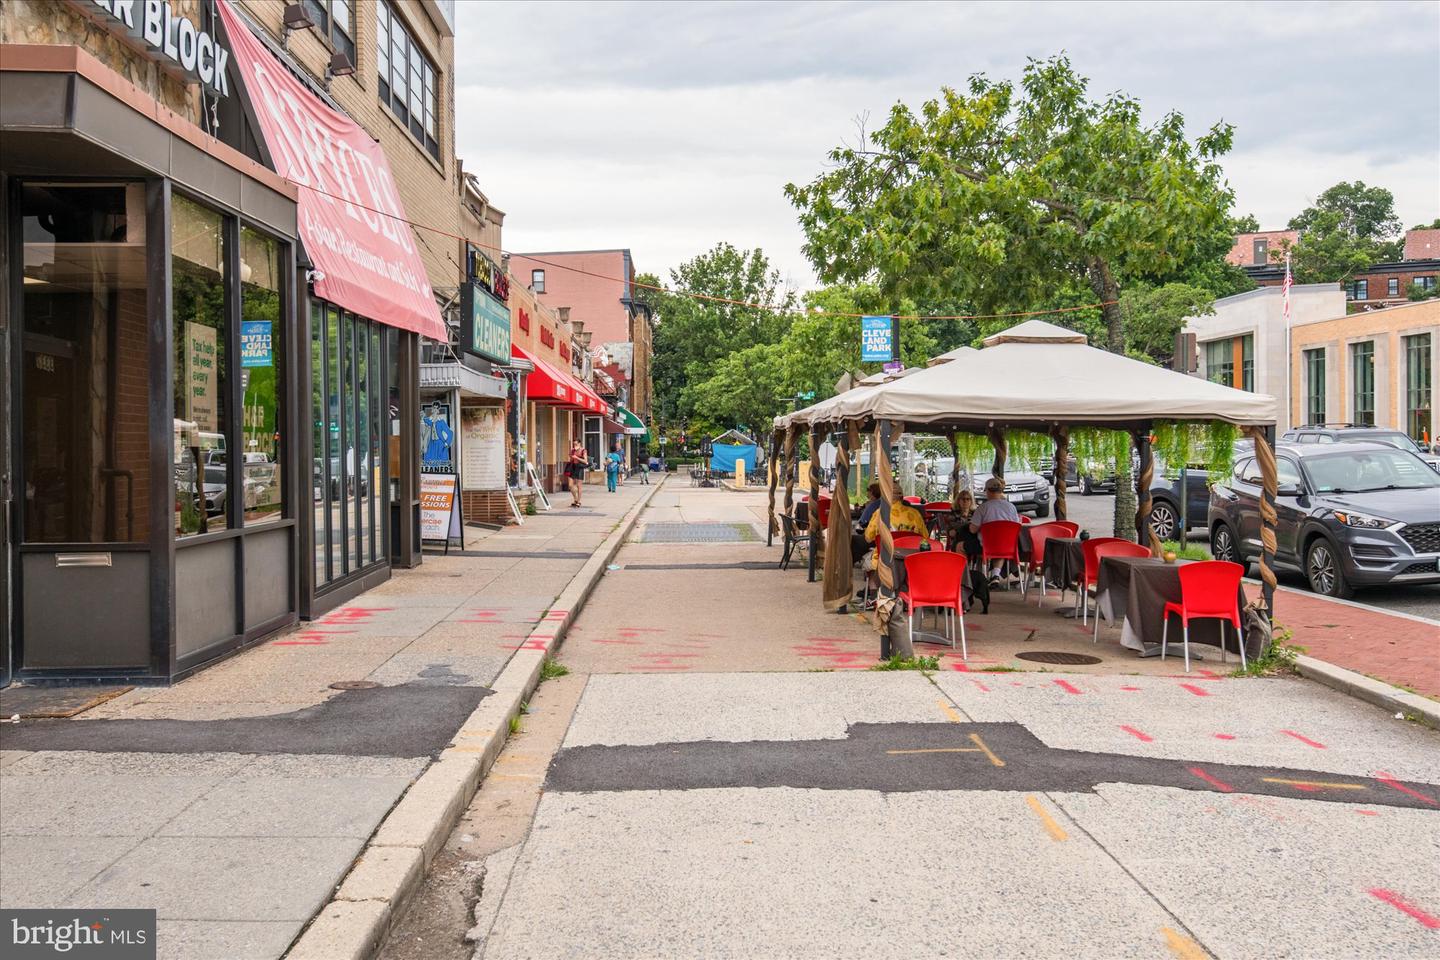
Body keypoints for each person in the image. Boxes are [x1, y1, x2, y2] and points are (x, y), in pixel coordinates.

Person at [969, 476, 1021, 584]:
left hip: (986, 546)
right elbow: (1017, 525)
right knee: (1000, 546)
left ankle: (967, 577)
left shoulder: (983, 508)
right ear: (1001, 491)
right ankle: (995, 575)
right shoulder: (1011, 507)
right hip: (1007, 546)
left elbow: (972, 530)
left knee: (961, 545)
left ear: (987, 491)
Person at [567, 440, 588, 507]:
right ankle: (575, 498)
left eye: (576, 444)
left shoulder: (583, 450)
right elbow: (570, 459)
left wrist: (577, 457)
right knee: (570, 485)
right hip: (572, 467)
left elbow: (585, 461)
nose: (575, 445)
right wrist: (571, 457)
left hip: (579, 468)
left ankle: (578, 501)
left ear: (579, 443)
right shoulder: (572, 450)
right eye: (574, 444)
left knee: (579, 486)